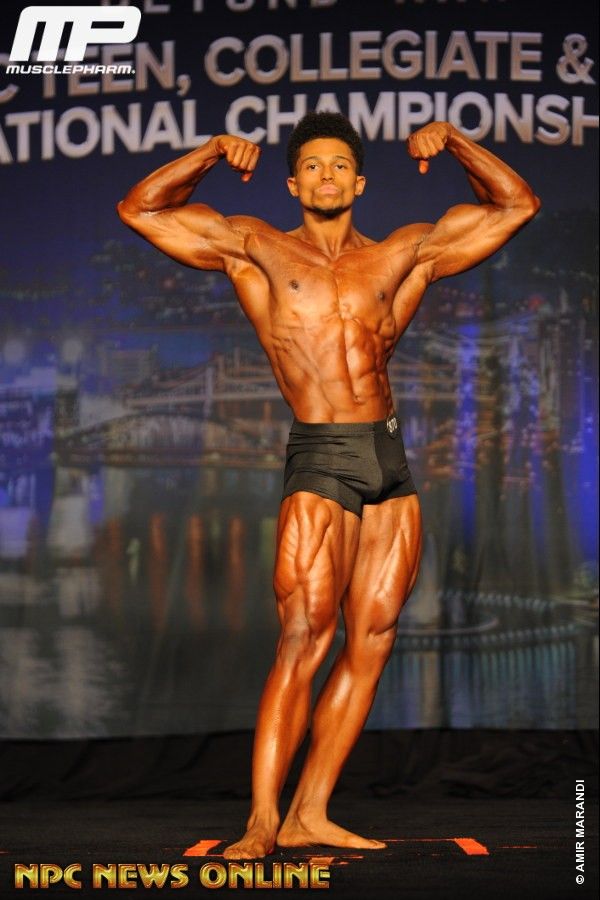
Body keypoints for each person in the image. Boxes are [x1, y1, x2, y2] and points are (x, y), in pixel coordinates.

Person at [118, 114, 540, 858]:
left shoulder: (404, 254)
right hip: (321, 455)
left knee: (372, 640)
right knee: (303, 637)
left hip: (390, 458)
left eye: (340, 164)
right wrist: (211, 153)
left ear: (360, 181)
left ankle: (309, 812)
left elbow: (516, 206)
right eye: (312, 165)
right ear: (292, 183)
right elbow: (140, 209)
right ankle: (262, 821)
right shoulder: (255, 246)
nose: (326, 176)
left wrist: (454, 142)